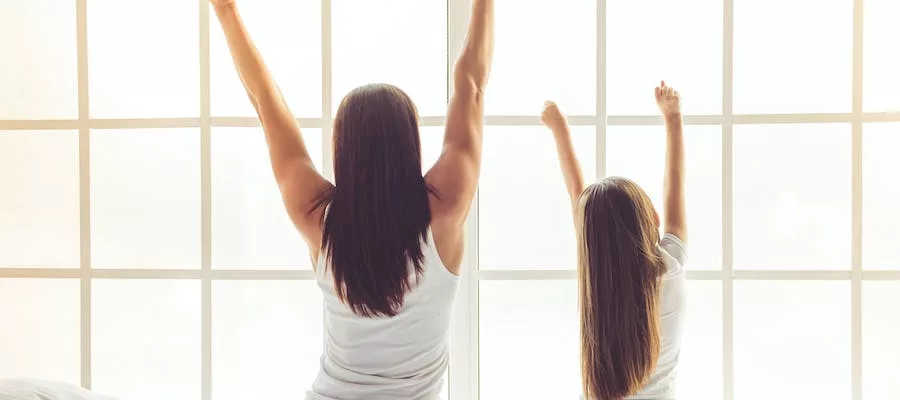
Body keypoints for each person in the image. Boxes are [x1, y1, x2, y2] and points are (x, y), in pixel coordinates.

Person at [210, 0, 494, 398]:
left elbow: (266, 101)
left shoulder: (318, 219)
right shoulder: (445, 211)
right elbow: (472, 85)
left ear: (344, 150)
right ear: (409, 144)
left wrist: (226, 12)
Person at [541, 82, 688, 400]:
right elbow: (674, 185)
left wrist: (559, 128)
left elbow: (575, 190)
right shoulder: (670, 267)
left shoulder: (599, 280)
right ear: (654, 220)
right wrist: (672, 118)